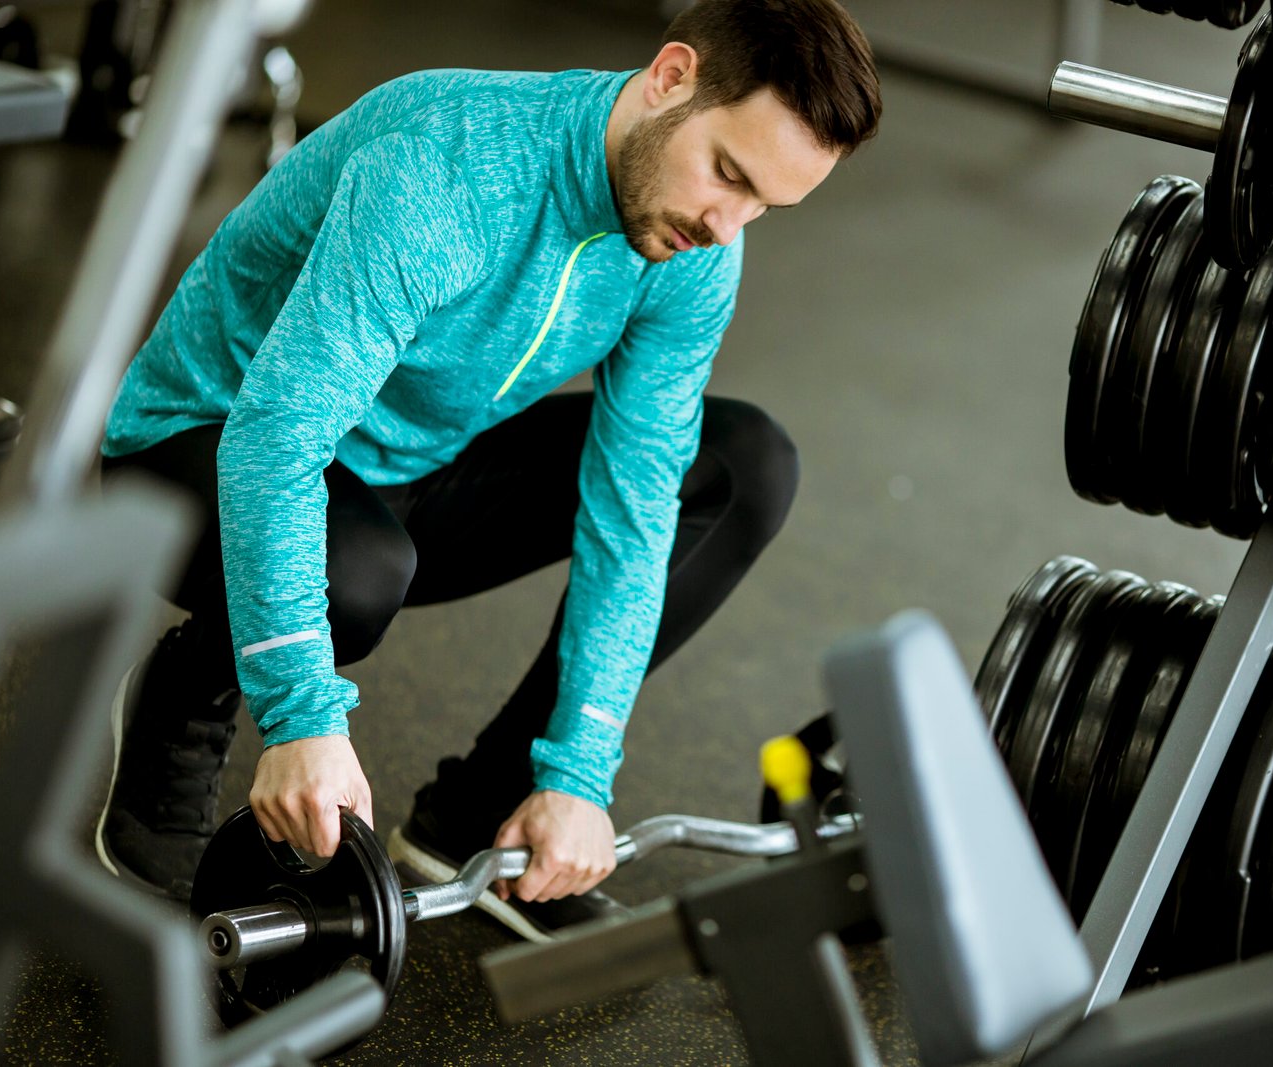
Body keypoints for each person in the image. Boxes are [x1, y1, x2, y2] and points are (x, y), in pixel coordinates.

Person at [94, 0, 881, 938]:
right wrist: (301, 714)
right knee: (355, 576)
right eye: (728, 173)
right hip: (203, 444)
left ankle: (485, 809)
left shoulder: (698, 244)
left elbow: (636, 502)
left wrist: (578, 773)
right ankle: (187, 692)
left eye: (763, 205)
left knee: (742, 465)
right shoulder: (449, 163)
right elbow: (278, 437)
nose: (727, 223)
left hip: (409, 471)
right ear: (672, 77)